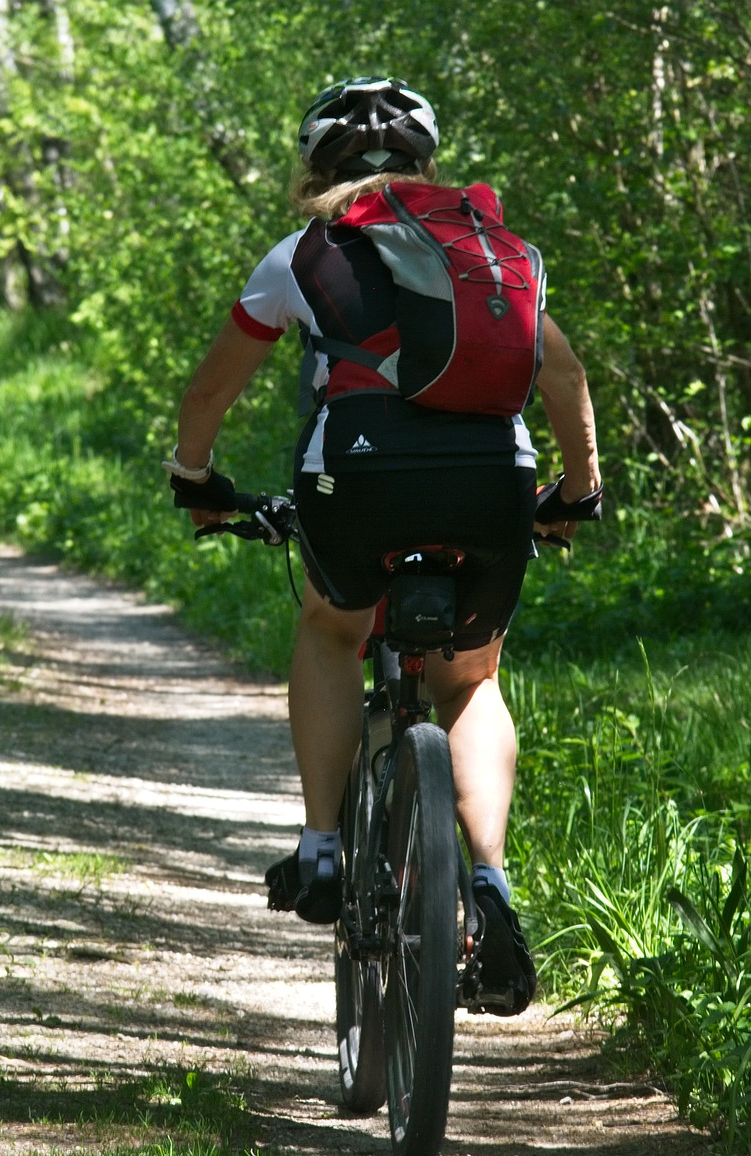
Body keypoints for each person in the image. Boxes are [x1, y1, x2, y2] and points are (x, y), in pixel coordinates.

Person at [165, 78, 602, 1015]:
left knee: (331, 627)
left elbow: (208, 396)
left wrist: (195, 483)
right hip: (492, 483)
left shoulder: (302, 255)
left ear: (315, 168)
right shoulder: (492, 251)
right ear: (424, 164)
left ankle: (322, 848)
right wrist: (576, 494)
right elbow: (561, 374)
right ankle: (490, 883)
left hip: (356, 483)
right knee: (471, 681)